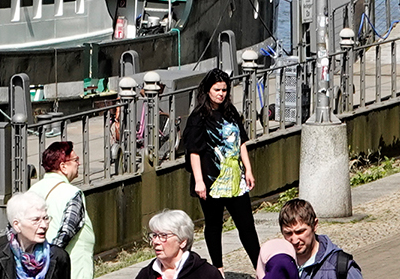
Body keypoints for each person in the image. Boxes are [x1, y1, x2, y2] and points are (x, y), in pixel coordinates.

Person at [182, 67, 260, 272]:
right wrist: (199, 181)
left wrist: (248, 170)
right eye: (217, 90)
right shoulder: (198, 117)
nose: (221, 94)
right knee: (214, 224)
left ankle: (261, 269)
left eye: (224, 90)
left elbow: (241, 142)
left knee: (246, 225)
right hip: (211, 180)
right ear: (207, 90)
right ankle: (218, 269)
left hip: (236, 178)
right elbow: (194, 151)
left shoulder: (230, 111)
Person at [26, 141, 93, 279]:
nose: (79, 163)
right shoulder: (72, 193)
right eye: (75, 160)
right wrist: (50, 261)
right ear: (63, 166)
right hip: (70, 269)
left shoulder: (32, 191)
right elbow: (67, 231)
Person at [0, 191, 71, 279]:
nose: (44, 225)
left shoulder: (59, 257)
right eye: (36, 220)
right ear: (17, 225)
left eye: (45, 218)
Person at [279, 198, 360, 279]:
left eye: (300, 232)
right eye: (288, 233)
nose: (294, 240)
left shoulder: (341, 267)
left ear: (314, 225)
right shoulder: (277, 265)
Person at [134, 209, 219, 279]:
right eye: (155, 235)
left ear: (182, 242)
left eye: (163, 236)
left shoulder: (206, 274)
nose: (155, 241)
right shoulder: (146, 274)